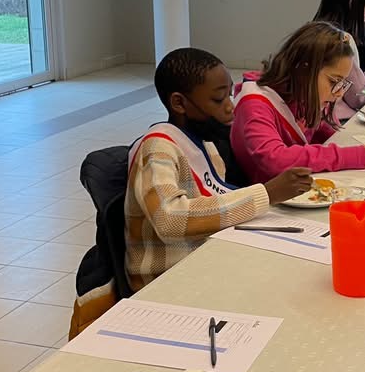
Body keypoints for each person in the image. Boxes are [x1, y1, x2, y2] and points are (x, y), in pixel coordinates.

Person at [124, 48, 314, 290]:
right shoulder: (157, 148)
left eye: (229, 96)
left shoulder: (207, 146)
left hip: (207, 260)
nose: (230, 107)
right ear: (179, 103)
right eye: (217, 100)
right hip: (166, 281)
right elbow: (169, 220)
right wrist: (267, 193)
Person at [231, 22, 365, 183]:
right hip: (268, 198)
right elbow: (275, 159)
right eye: (334, 81)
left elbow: (333, 136)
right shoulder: (254, 103)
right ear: (304, 69)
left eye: (343, 83)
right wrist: (361, 155)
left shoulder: (304, 93)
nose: (340, 92)